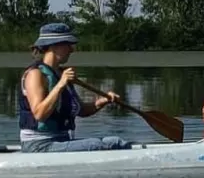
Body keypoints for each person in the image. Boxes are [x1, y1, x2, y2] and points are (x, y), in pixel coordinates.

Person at [18, 23, 128, 152]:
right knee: (102, 145)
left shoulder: (62, 74)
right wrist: (61, 84)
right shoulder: (35, 74)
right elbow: (39, 114)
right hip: (38, 144)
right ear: (54, 46)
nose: (71, 50)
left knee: (115, 142)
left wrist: (104, 101)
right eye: (67, 45)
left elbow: (82, 111)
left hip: (61, 139)